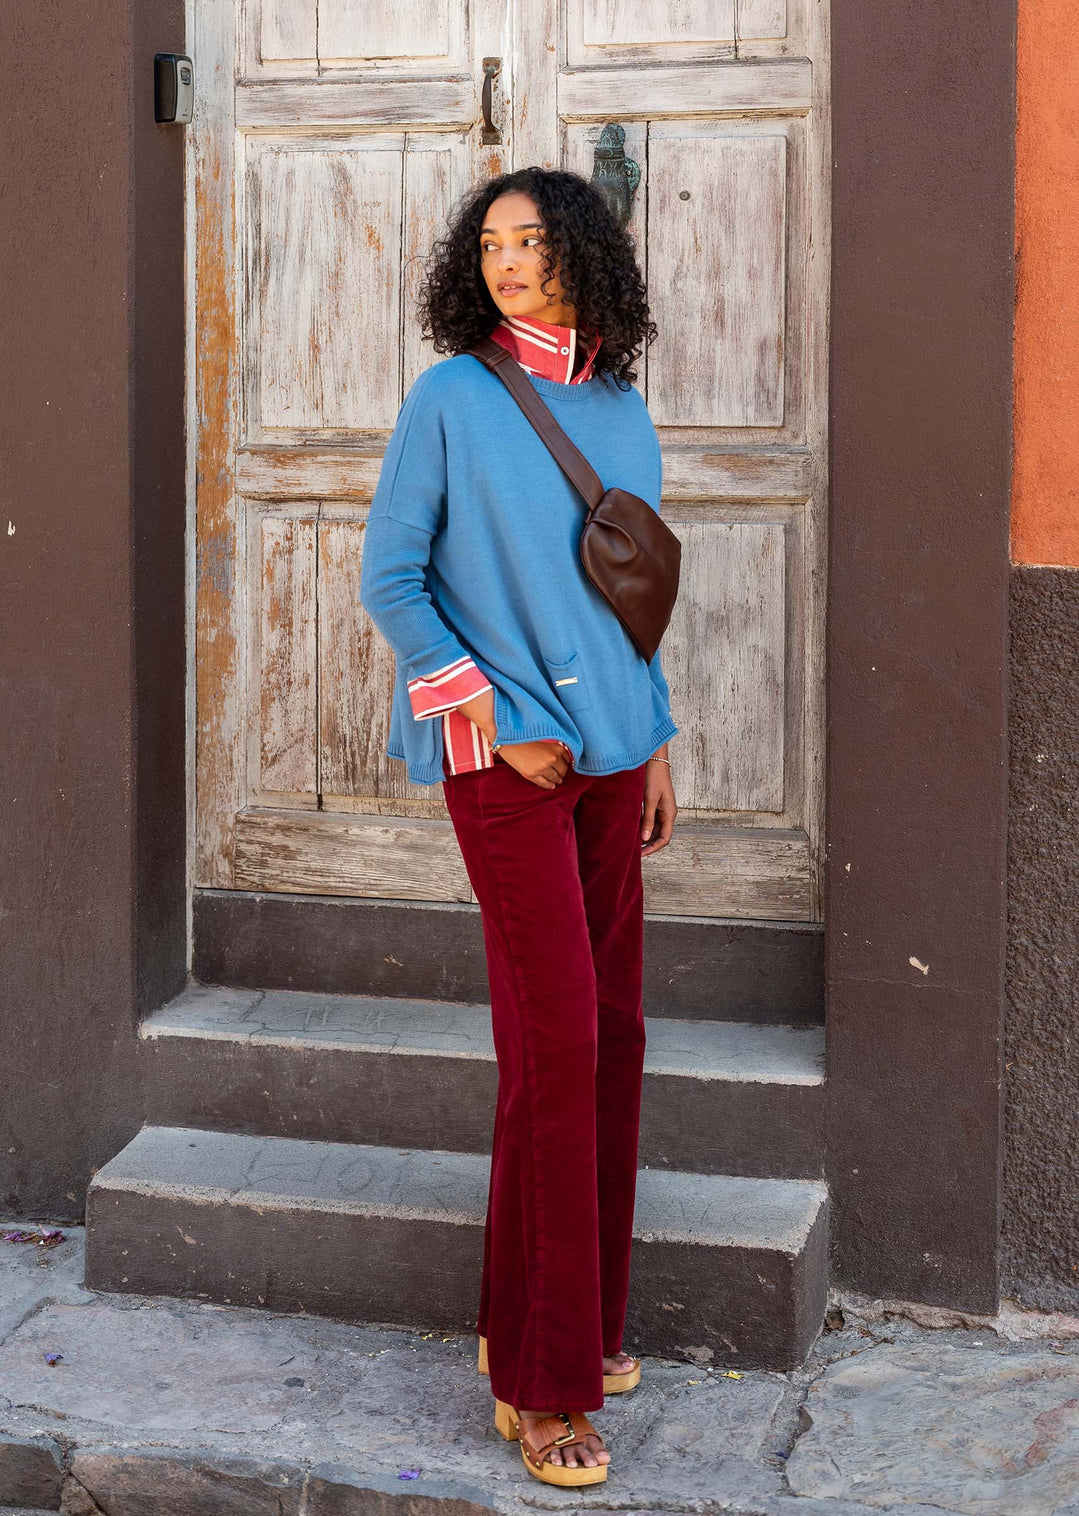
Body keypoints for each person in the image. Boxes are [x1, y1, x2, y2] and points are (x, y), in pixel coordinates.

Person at [359, 165, 679, 1489]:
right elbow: (393, 578)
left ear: (581, 253)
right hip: (507, 767)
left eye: (533, 239)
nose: (508, 260)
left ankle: (568, 1327)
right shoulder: (450, 399)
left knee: (607, 1034)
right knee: (552, 1040)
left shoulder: (618, 402)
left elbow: (638, 588)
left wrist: (655, 737)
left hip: (613, 756)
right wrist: (495, 715)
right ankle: (543, 1391)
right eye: (489, 242)